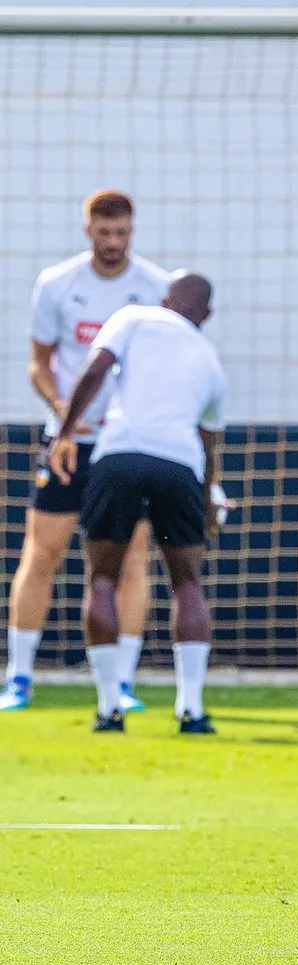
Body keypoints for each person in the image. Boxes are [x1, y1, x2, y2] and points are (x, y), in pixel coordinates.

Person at [0, 190, 171, 713]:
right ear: (88, 230)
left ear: (133, 231)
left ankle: (120, 681)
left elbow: (165, 368)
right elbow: (38, 362)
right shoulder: (58, 283)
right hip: (68, 442)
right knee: (42, 551)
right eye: (104, 233)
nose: (113, 243)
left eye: (122, 234)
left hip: (126, 444)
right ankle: (19, 677)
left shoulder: (154, 287)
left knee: (132, 558)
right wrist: (64, 417)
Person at [48, 272, 225, 734]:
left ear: (165, 299)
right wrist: (207, 499)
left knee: (102, 578)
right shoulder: (211, 361)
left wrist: (65, 433)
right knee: (187, 583)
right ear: (205, 315)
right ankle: (192, 709)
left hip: (119, 455)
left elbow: (95, 369)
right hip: (178, 464)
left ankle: (109, 709)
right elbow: (209, 446)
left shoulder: (133, 317)